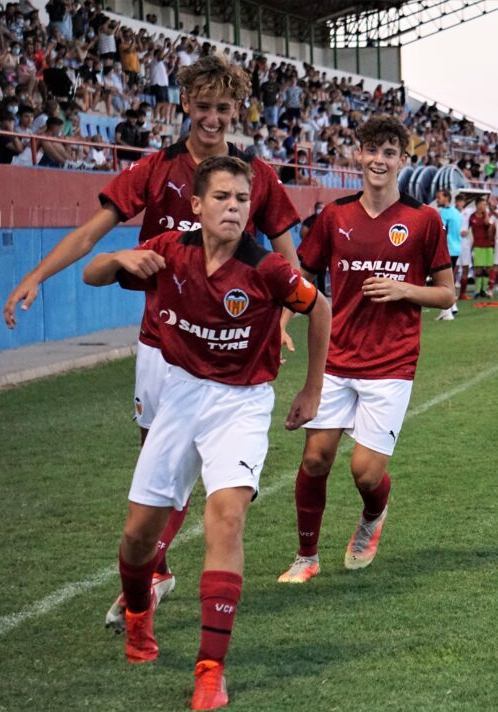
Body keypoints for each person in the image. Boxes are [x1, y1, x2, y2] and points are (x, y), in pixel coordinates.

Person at [2, 53, 303, 632]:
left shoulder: (254, 176)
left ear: (236, 110)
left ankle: (152, 573)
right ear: (185, 104)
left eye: (223, 108)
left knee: (194, 471)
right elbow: (94, 233)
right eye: (204, 106)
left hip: (228, 356)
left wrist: (286, 316)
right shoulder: (156, 168)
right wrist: (36, 277)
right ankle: (156, 572)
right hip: (159, 344)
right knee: (155, 463)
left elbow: (286, 255)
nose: (213, 118)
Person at [82, 155, 331, 710]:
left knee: (226, 518)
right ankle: (139, 615)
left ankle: (210, 672)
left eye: (242, 199)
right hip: (181, 394)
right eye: (221, 197)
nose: (234, 207)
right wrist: (120, 256)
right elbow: (91, 275)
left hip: (241, 404)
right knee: (139, 535)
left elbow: (319, 309)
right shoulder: (170, 254)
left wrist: (312, 390)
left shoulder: (266, 268)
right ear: (195, 205)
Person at [276, 114, 455, 583]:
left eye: (389, 152)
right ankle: (306, 556)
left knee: (365, 473)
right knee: (315, 459)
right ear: (358, 155)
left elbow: (447, 293)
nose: (379, 160)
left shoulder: (424, 219)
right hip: (336, 357)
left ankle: (373, 517)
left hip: (392, 362)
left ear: (403, 159)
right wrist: (280, 322)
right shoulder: (335, 217)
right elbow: (304, 281)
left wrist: (405, 290)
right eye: (371, 150)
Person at [434, 188, 462, 320]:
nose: (437, 200)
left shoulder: (443, 213)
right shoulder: (457, 212)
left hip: (447, 249)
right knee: (450, 279)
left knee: (441, 281)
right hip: (456, 249)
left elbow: (441, 232)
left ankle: (446, 312)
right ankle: (453, 305)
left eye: (439, 197)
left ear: (446, 198)